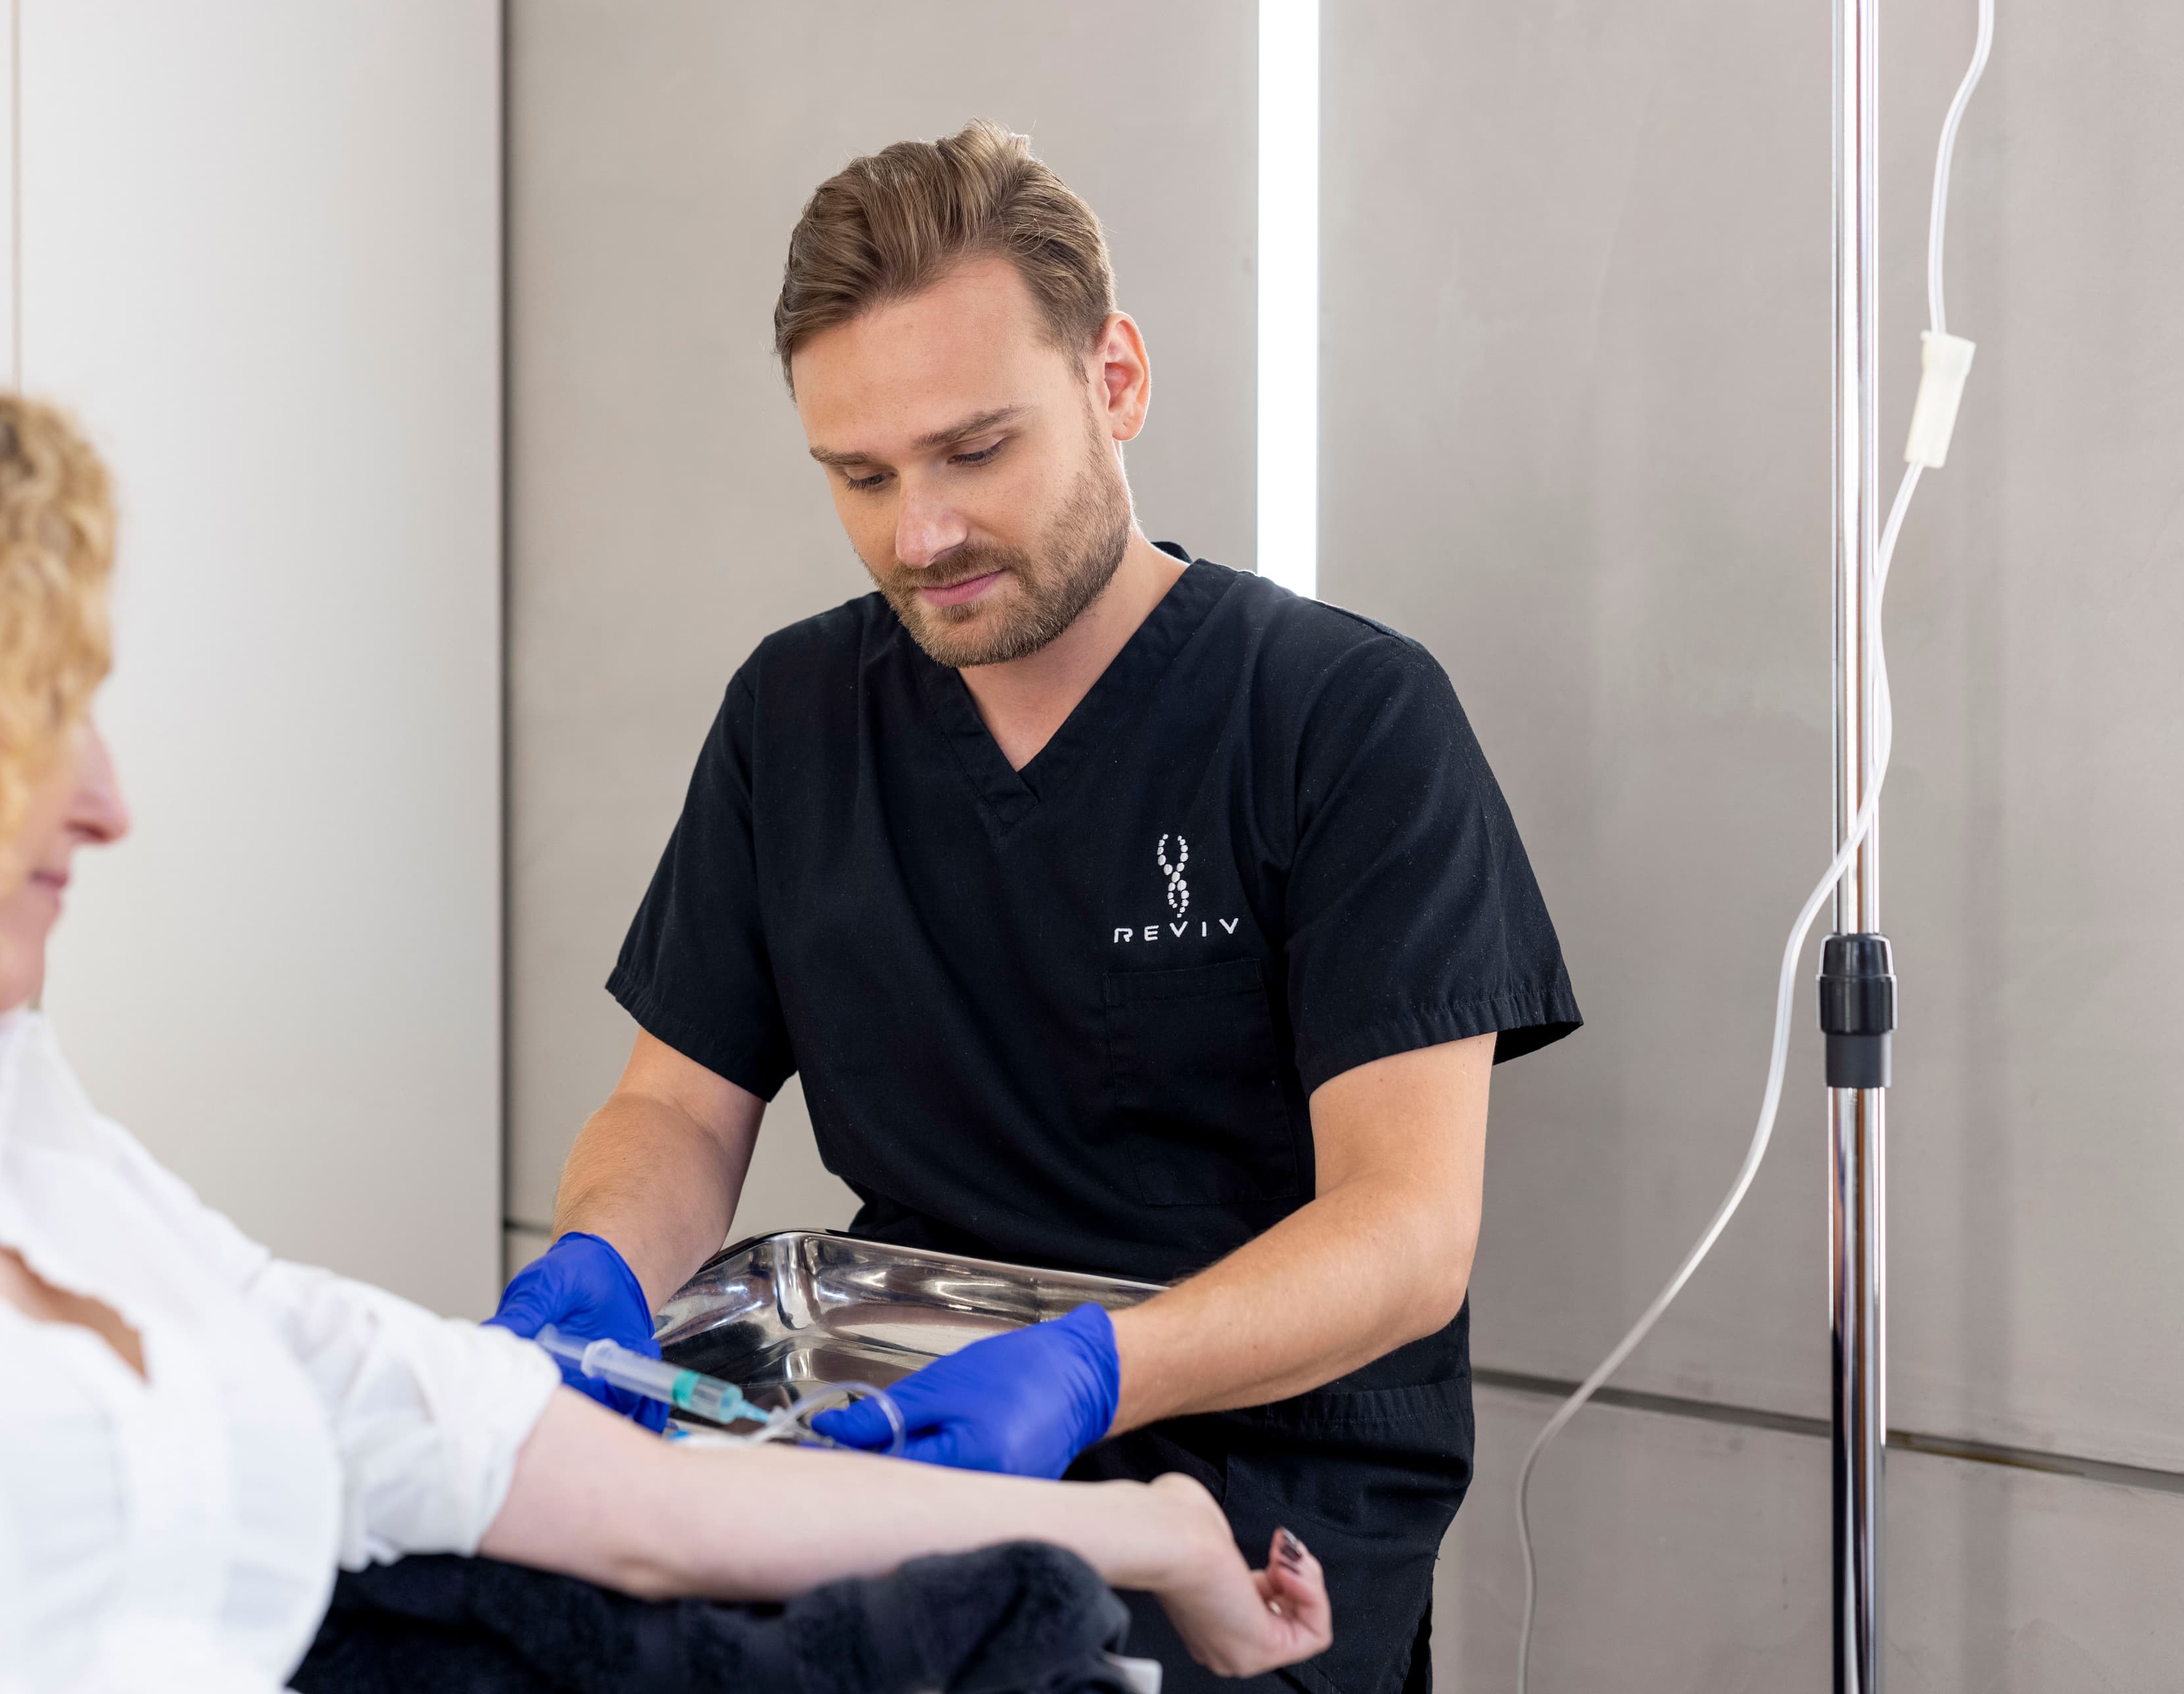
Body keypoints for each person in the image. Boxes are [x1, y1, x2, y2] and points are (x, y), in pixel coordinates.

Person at [0, 347, 1330, 1692]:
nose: (109, 805)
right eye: (36, 720)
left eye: (970, 450)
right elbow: (675, 1110)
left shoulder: (43, 1165)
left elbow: (640, 1510)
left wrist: (1156, 1532)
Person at [499, 122, 1582, 1693]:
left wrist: (1090, 1374)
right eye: (862, 476)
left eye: (974, 451)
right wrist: (594, 1272)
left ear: (1115, 380)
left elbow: (1408, 1234)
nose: (918, 534)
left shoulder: (1341, 718)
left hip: (1266, 1480)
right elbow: (676, 1104)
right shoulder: (795, 715)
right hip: (897, 1430)